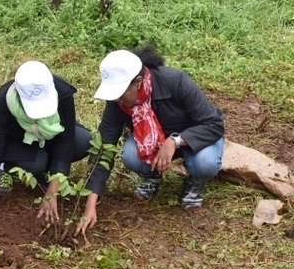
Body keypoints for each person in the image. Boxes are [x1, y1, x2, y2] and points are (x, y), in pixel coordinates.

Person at [75, 46, 224, 236]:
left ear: (138, 82)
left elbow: (214, 124)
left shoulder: (175, 81)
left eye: (120, 93)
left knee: (206, 162)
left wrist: (175, 141)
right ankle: (153, 177)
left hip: (194, 138)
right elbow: (104, 148)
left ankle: (194, 182)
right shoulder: (117, 102)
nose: (117, 100)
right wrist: (90, 204)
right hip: (153, 142)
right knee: (130, 155)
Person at [0, 61, 92, 229]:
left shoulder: (62, 94)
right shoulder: (5, 103)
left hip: (37, 134)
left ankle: (41, 168)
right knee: (36, 163)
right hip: (7, 135)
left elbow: (66, 140)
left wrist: (51, 193)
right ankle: (4, 166)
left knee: (83, 140)